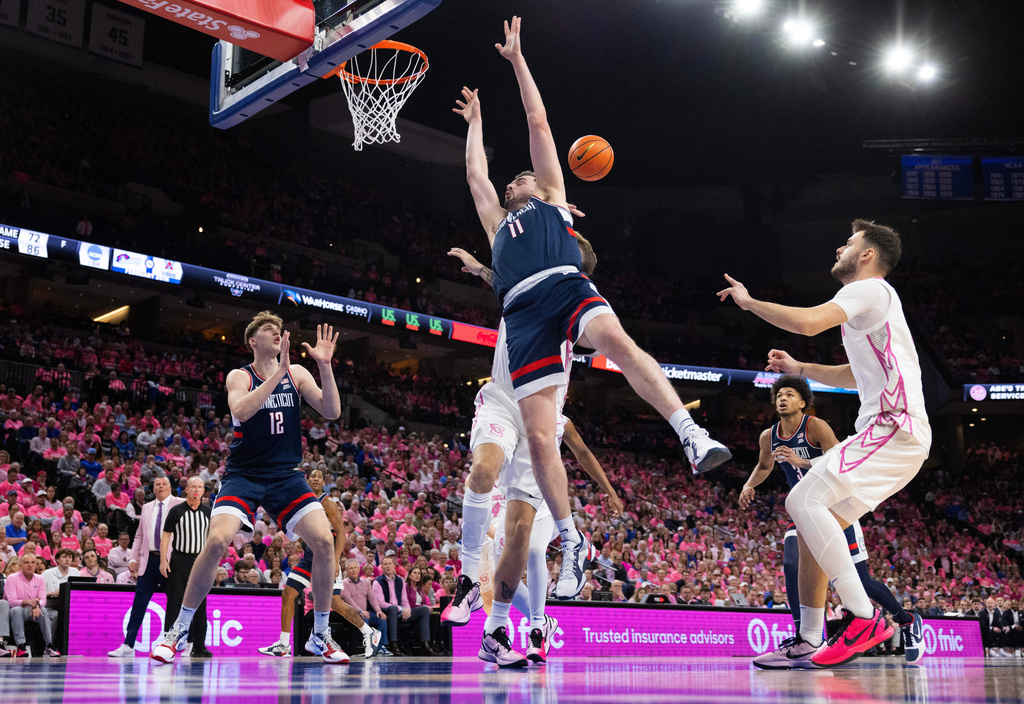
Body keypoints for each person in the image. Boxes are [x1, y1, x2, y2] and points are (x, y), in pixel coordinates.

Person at [453, 16, 730, 603]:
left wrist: (517, 61)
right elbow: (476, 176)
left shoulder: (554, 198)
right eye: (517, 179)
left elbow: (537, 121)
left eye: (525, 175)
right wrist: (476, 124)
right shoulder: (499, 226)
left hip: (563, 284)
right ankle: (572, 537)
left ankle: (690, 431)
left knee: (619, 343)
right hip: (522, 315)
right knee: (541, 436)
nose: (517, 180)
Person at [718, 219, 931, 667]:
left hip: (893, 426)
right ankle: (810, 638)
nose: (840, 247)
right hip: (896, 431)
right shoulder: (872, 309)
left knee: (802, 501)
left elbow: (810, 322)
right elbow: (853, 376)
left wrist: (749, 302)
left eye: (850, 243)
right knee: (814, 527)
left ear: (868, 255)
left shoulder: (869, 290)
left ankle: (863, 616)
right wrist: (801, 365)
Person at [150, 317, 347, 664]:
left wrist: (325, 366)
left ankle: (320, 634)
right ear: (252, 341)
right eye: (268, 329)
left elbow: (332, 411)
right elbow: (241, 409)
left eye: (279, 326)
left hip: (287, 475)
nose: (277, 330)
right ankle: (178, 630)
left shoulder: (298, 373)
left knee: (324, 540)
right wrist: (277, 373)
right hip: (245, 474)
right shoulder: (239, 376)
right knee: (215, 542)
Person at [739, 376, 924, 668]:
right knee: (792, 562)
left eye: (789, 394)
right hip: (803, 512)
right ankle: (806, 638)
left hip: (836, 506)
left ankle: (906, 619)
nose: (782, 399)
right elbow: (764, 466)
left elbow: (841, 460)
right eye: (779, 395)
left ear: (803, 402)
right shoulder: (769, 436)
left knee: (860, 582)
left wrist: (801, 463)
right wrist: (749, 485)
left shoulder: (815, 426)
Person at [257, 468, 381, 659]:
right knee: (288, 593)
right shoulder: (304, 500)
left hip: (327, 558)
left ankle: (368, 632)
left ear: (324, 482)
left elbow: (341, 532)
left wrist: (338, 559)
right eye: (312, 476)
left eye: (319, 477)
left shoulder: (327, 502)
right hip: (309, 558)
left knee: (335, 603)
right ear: (306, 480)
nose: (315, 479)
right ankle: (283, 644)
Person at [108, 476, 184, 657]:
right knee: (139, 603)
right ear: (154, 489)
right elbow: (139, 536)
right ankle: (128, 644)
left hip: (170, 562)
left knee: (176, 603)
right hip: (148, 561)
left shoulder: (180, 504)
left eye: (164, 483)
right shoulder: (147, 507)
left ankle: (180, 642)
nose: (161, 486)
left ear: (170, 486)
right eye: (157, 484)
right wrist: (133, 558)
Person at [159, 476, 212, 658]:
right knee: (175, 601)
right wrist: (163, 560)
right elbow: (166, 535)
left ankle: (198, 645)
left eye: (199, 487)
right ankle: (169, 643)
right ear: (186, 490)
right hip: (179, 560)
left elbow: (212, 538)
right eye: (193, 487)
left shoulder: (208, 512)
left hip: (200, 562)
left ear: (203, 491)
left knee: (200, 604)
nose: (196, 490)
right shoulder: (176, 511)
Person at [372, 555, 434, 656]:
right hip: (387, 611)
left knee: (424, 610)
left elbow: (405, 600)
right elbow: (381, 603)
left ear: (393, 566)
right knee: (392, 608)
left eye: (390, 564)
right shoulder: (377, 582)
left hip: (401, 611)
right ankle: (393, 644)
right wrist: (400, 609)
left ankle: (425, 644)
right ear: (382, 567)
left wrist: (408, 610)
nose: (388, 566)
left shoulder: (400, 580)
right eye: (385, 564)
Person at [3, 554, 60, 656]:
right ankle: (21, 645)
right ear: (20, 565)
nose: (30, 565)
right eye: (26, 562)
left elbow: (43, 600)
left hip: (33, 610)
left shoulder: (40, 579)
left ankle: (49, 646)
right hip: (15, 612)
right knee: (17, 610)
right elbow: (12, 601)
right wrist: (28, 602)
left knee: (43, 610)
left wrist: (36, 605)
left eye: (33, 563)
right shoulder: (11, 578)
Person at [339, 558, 390, 653]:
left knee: (381, 618)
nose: (353, 570)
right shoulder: (344, 583)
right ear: (346, 570)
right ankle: (368, 647)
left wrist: (378, 610)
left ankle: (381, 647)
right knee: (363, 618)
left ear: (359, 569)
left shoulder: (366, 582)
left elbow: (372, 598)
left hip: (365, 613)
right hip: (353, 613)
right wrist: (360, 611)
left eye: (355, 567)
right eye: (350, 568)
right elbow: (348, 600)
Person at [42, 548, 79, 641]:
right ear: (57, 560)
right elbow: (39, 593)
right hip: (51, 607)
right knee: (56, 615)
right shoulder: (47, 573)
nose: (67, 560)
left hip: (71, 607)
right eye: (64, 557)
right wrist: (51, 593)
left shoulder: (75, 572)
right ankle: (49, 644)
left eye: (69, 557)